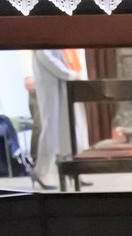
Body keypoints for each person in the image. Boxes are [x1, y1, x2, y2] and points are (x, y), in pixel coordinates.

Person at [32, 49, 89, 189]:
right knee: (52, 126)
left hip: (67, 79)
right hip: (51, 80)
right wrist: (69, 74)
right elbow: (44, 55)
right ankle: (41, 172)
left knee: (71, 126)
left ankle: (72, 168)